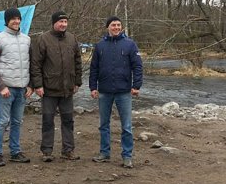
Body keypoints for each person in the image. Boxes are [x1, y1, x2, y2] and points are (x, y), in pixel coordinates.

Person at [89, 16, 143, 168]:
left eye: (119, 25)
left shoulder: (130, 45)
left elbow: (137, 66)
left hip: (124, 91)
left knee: (126, 126)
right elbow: (94, 68)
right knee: (103, 125)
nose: (116, 27)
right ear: (108, 27)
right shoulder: (100, 46)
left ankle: (127, 156)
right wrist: (93, 87)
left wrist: (136, 85)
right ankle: (104, 153)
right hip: (104, 91)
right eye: (113, 25)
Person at [31, 11, 82, 162]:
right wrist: (38, 85)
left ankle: (68, 150)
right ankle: (47, 151)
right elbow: (35, 64)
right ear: (54, 23)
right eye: (61, 22)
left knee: (68, 121)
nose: (63, 24)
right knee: (47, 121)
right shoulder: (43, 39)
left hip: (67, 89)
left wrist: (77, 82)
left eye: (65, 22)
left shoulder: (72, 38)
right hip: (48, 89)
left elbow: (78, 61)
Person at [0, 8, 33, 167]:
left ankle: (15, 152)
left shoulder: (27, 40)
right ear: (7, 21)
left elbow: (31, 64)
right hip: (6, 90)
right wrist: (1, 87)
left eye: (18, 18)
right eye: (13, 19)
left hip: (22, 89)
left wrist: (31, 85)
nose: (16, 21)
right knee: (2, 122)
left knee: (17, 122)